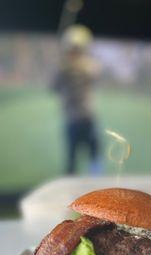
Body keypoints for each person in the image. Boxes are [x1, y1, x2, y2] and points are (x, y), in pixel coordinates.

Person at [52, 25, 102, 174]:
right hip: (77, 118)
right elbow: (53, 86)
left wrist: (62, 64)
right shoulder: (66, 68)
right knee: (76, 158)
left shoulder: (70, 68)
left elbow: (53, 87)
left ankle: (98, 189)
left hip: (83, 118)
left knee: (91, 156)